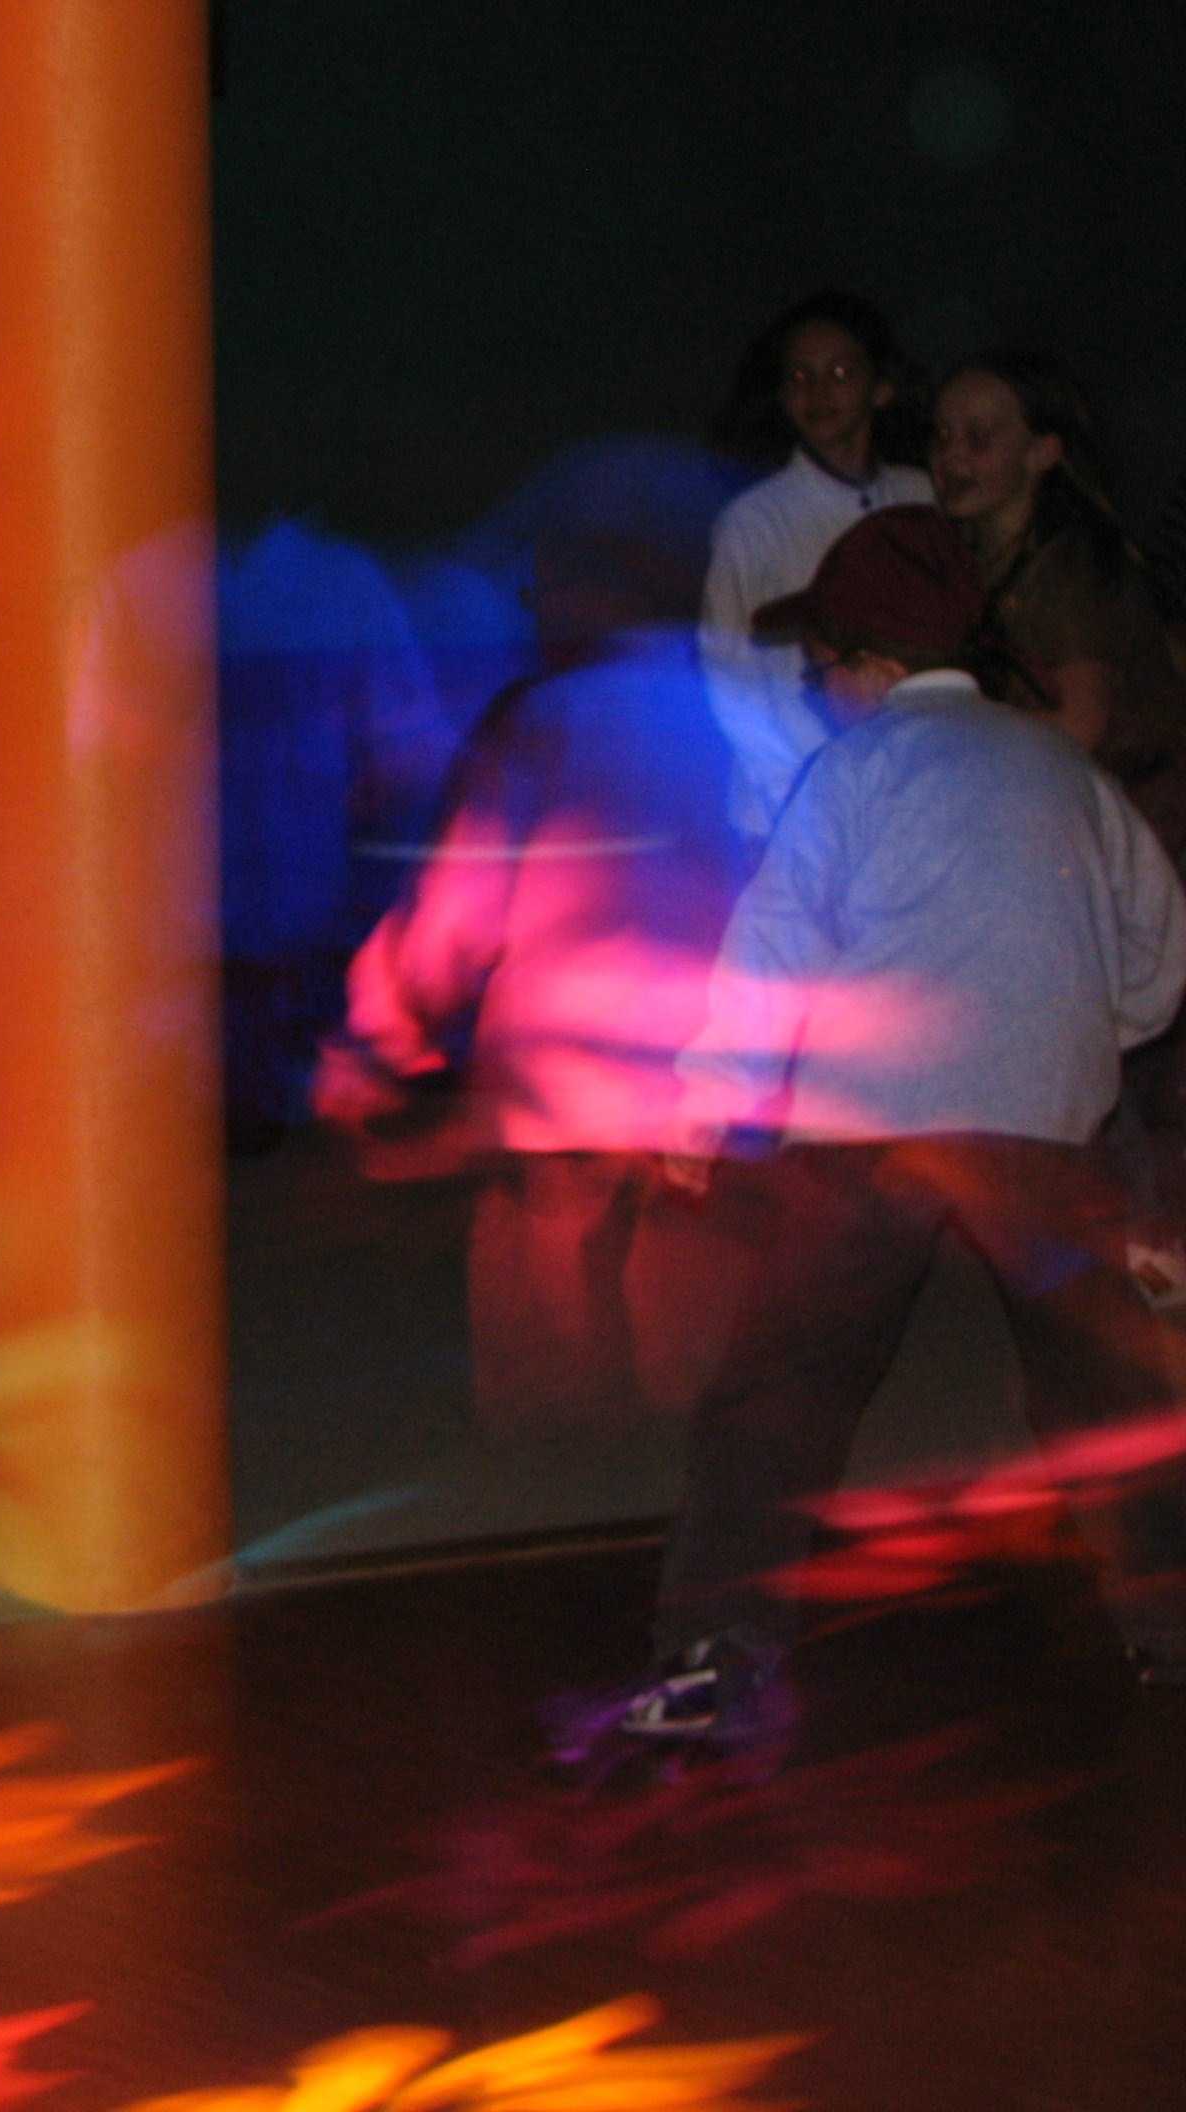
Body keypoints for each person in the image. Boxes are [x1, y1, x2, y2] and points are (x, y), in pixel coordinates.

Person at [619, 505, 1186, 1747]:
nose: (819, 693)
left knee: (780, 1387)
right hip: (1043, 1117)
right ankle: (1169, 1627)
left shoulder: (853, 770)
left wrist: (706, 1107)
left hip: (869, 1127)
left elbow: (770, 953)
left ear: (872, 667)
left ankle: (714, 1657)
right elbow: (1158, 943)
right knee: (1101, 1386)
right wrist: (1090, 1025)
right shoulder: (1062, 770)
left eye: (823, 667)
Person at [320, 528, 745, 1440]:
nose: (535, 614)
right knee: (695, 1409)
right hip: (711, 1112)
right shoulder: (745, 714)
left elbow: (455, 908)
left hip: (561, 1107)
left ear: (597, 593)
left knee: (557, 1413)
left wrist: (377, 1043)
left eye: (546, 591)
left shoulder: (544, 720)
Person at [930, 349, 1186, 856]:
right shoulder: (971, 555)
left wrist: (944, 736)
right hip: (1083, 817)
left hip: (1137, 830)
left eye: (978, 439)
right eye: (941, 436)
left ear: (1042, 452)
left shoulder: (1070, 566)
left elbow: (1078, 725)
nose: (952, 458)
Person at [699, 291, 934, 840]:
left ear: (881, 387)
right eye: (800, 377)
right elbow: (726, 672)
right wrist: (789, 795)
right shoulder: (753, 522)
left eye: (840, 373)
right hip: (792, 812)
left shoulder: (921, 497)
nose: (819, 393)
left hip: (910, 795)